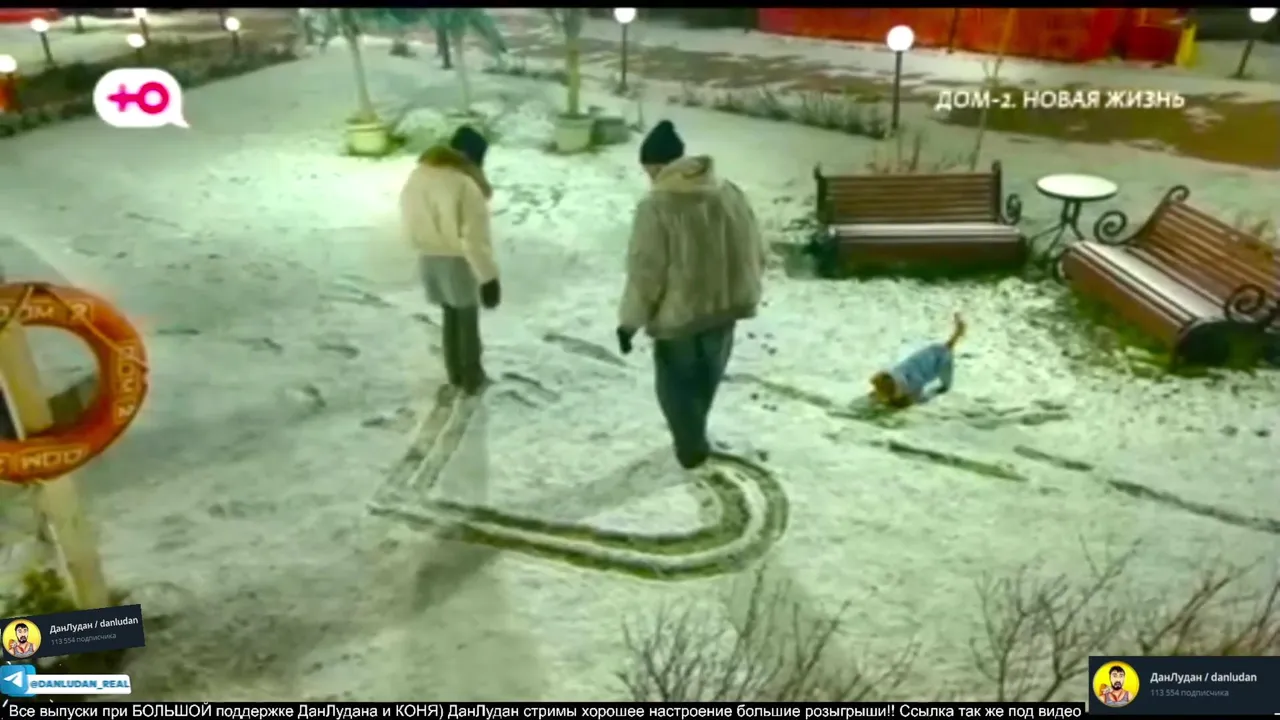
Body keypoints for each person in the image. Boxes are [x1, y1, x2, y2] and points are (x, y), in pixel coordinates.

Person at [616, 120, 765, 472]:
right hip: (726, 309)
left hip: (679, 315)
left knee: (675, 389)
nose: (648, 178)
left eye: (648, 170)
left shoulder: (656, 206)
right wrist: (749, 286)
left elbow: (646, 271)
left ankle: (691, 449)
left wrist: (629, 322)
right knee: (703, 383)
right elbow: (756, 246)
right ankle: (694, 438)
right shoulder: (729, 192)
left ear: (658, 166)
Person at [400, 126, 501, 395]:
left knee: (450, 314)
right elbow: (473, 238)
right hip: (457, 260)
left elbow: (408, 215)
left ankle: (454, 373)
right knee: (466, 318)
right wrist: (489, 277)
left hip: (428, 257)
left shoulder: (419, 174)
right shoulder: (464, 185)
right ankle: (471, 377)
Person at [869, 313, 966, 408]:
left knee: (945, 387)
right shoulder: (895, 373)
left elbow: (918, 388)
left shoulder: (911, 383)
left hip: (939, 362)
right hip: (928, 355)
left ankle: (959, 331)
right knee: (948, 346)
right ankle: (959, 331)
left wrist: (913, 400)